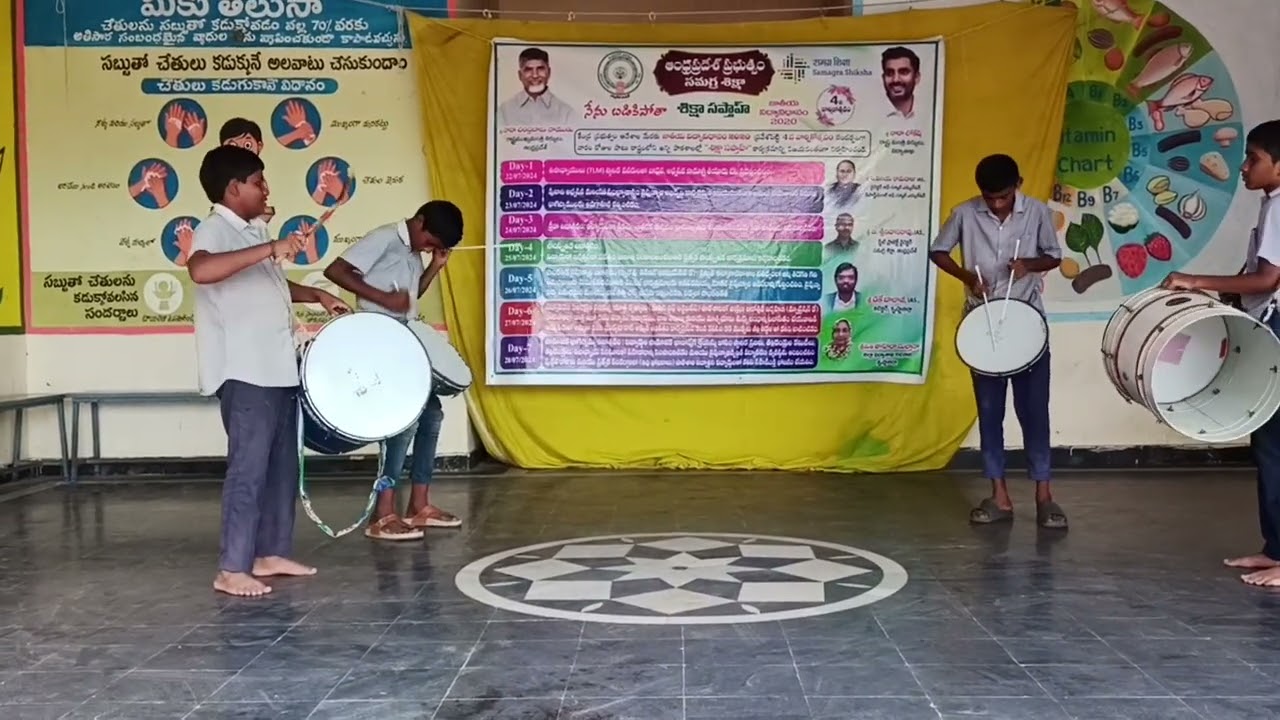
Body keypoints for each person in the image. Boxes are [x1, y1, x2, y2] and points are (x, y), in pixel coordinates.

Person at [187, 144, 351, 597]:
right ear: (233, 188)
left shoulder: (250, 232)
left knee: (281, 468)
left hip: (278, 369)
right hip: (245, 372)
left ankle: (269, 552)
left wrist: (316, 295)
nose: (265, 190)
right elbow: (200, 271)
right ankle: (232, 567)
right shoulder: (215, 229)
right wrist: (271, 247)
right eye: (258, 182)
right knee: (249, 470)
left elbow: (269, 284)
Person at [1161, 119, 1280, 587]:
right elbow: (1254, 270)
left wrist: (1195, 281)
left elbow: (1270, 280)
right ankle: (1275, 548)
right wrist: (1220, 293)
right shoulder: (1271, 206)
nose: (1243, 167)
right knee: (1268, 442)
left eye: (1253, 159)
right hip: (1270, 326)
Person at [929, 153, 1065, 528]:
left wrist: (1029, 265)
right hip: (982, 323)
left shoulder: (1036, 213)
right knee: (990, 413)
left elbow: (1053, 257)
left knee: (1034, 412)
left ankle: (1045, 496)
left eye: (1002, 196)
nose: (995, 204)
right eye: (989, 198)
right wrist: (965, 277)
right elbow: (938, 251)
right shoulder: (964, 213)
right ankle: (999, 496)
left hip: (1026, 321)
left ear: (1017, 185)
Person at [323, 201, 466, 541]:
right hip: (380, 341)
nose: (430, 247)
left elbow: (411, 297)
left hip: (405, 341)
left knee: (431, 416)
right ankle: (383, 513)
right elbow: (336, 271)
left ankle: (419, 506)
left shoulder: (416, 251)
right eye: (430, 240)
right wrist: (383, 299)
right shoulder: (385, 238)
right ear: (418, 221)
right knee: (401, 423)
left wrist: (434, 266)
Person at [499, 47, 575, 126]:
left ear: (549, 72)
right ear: (520, 75)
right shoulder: (504, 111)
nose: (535, 75)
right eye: (528, 69)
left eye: (540, 69)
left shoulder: (566, 113)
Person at [881, 46, 921, 120]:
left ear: (916, 77)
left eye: (904, 72)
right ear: (883, 78)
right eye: (889, 73)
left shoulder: (926, 111)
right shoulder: (871, 113)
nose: (896, 79)